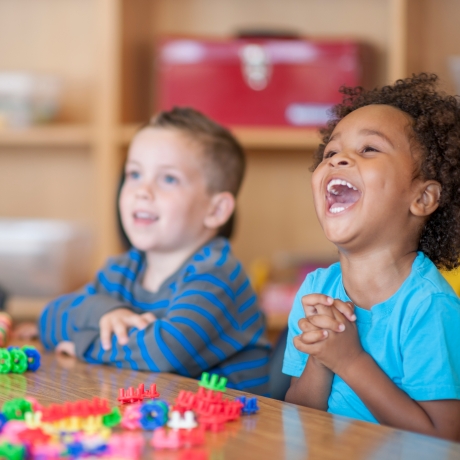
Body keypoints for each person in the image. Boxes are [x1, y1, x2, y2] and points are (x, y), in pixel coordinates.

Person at [39, 107, 271, 395]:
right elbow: (50, 320)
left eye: (168, 179)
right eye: (134, 174)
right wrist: (105, 313)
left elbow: (164, 351)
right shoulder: (121, 270)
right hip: (162, 416)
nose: (142, 190)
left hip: (239, 425)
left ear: (216, 210)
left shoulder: (217, 274)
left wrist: (83, 345)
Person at [283, 74, 460, 440]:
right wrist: (321, 356)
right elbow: (297, 415)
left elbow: (445, 439)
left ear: (423, 198)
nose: (339, 160)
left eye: (369, 150)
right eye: (331, 153)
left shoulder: (429, 305)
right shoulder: (316, 290)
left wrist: (349, 359)